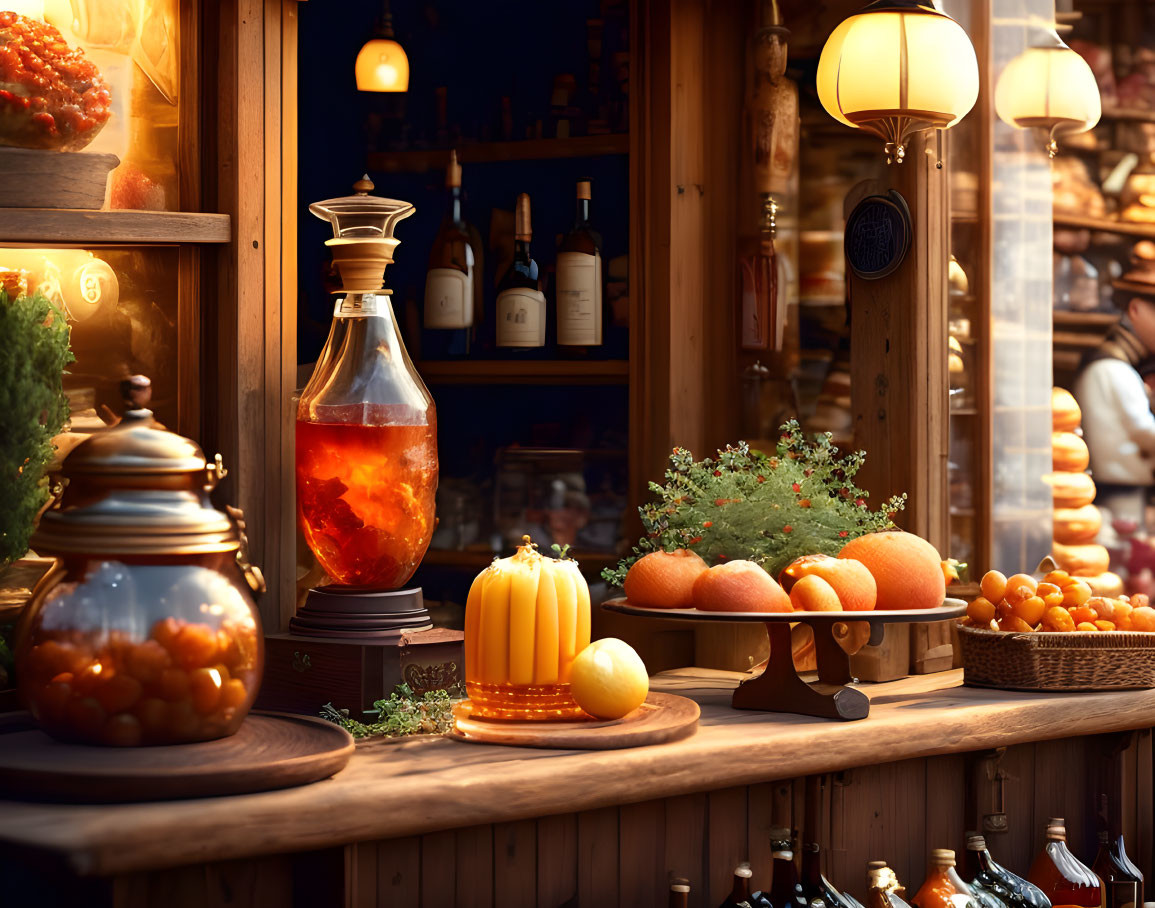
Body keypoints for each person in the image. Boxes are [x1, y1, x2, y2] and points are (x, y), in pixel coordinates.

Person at [1074, 290, 1155, 535]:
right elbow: (1145, 431)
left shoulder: (1113, 368)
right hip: (1118, 496)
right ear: (1136, 309)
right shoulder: (1114, 370)